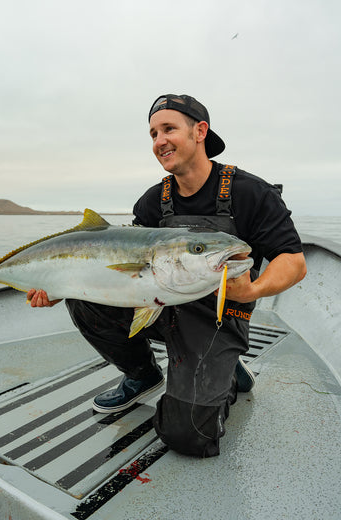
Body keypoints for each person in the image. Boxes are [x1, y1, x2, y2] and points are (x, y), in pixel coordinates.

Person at [27, 94, 307, 457]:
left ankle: (222, 368)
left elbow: (293, 261)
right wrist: (62, 284)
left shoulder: (251, 193)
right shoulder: (151, 202)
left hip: (220, 314)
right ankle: (143, 374)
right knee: (85, 300)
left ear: (200, 131)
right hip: (162, 300)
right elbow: (130, 269)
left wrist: (252, 289)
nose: (159, 141)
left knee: (188, 435)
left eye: (168, 129)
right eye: (153, 133)